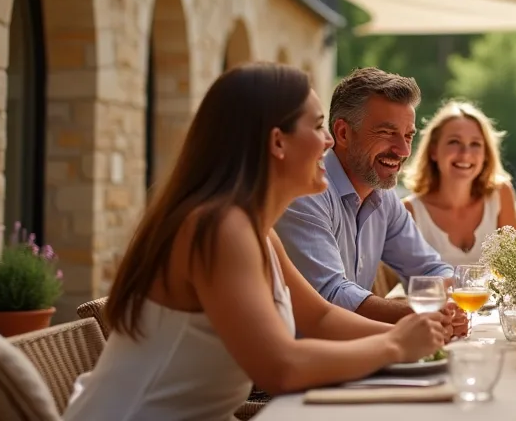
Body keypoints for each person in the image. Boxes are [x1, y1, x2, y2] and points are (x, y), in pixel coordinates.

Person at [65, 64, 450, 421]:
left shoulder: (254, 228)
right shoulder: (219, 228)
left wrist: (420, 337)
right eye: (318, 127)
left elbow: (320, 317)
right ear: (278, 142)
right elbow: (281, 369)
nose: (329, 142)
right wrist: (396, 345)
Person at [274, 67, 467, 337]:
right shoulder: (305, 193)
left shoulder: (384, 196)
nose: (403, 150)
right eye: (387, 133)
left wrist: (446, 307)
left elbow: (429, 267)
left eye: (408, 135)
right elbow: (332, 294)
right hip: (315, 356)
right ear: (343, 133)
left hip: (355, 350)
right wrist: (419, 314)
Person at [402, 99, 516, 268]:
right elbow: (408, 279)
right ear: (433, 151)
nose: (465, 154)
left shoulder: (501, 195)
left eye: (475, 144)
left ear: (486, 154)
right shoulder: (410, 212)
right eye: (454, 142)